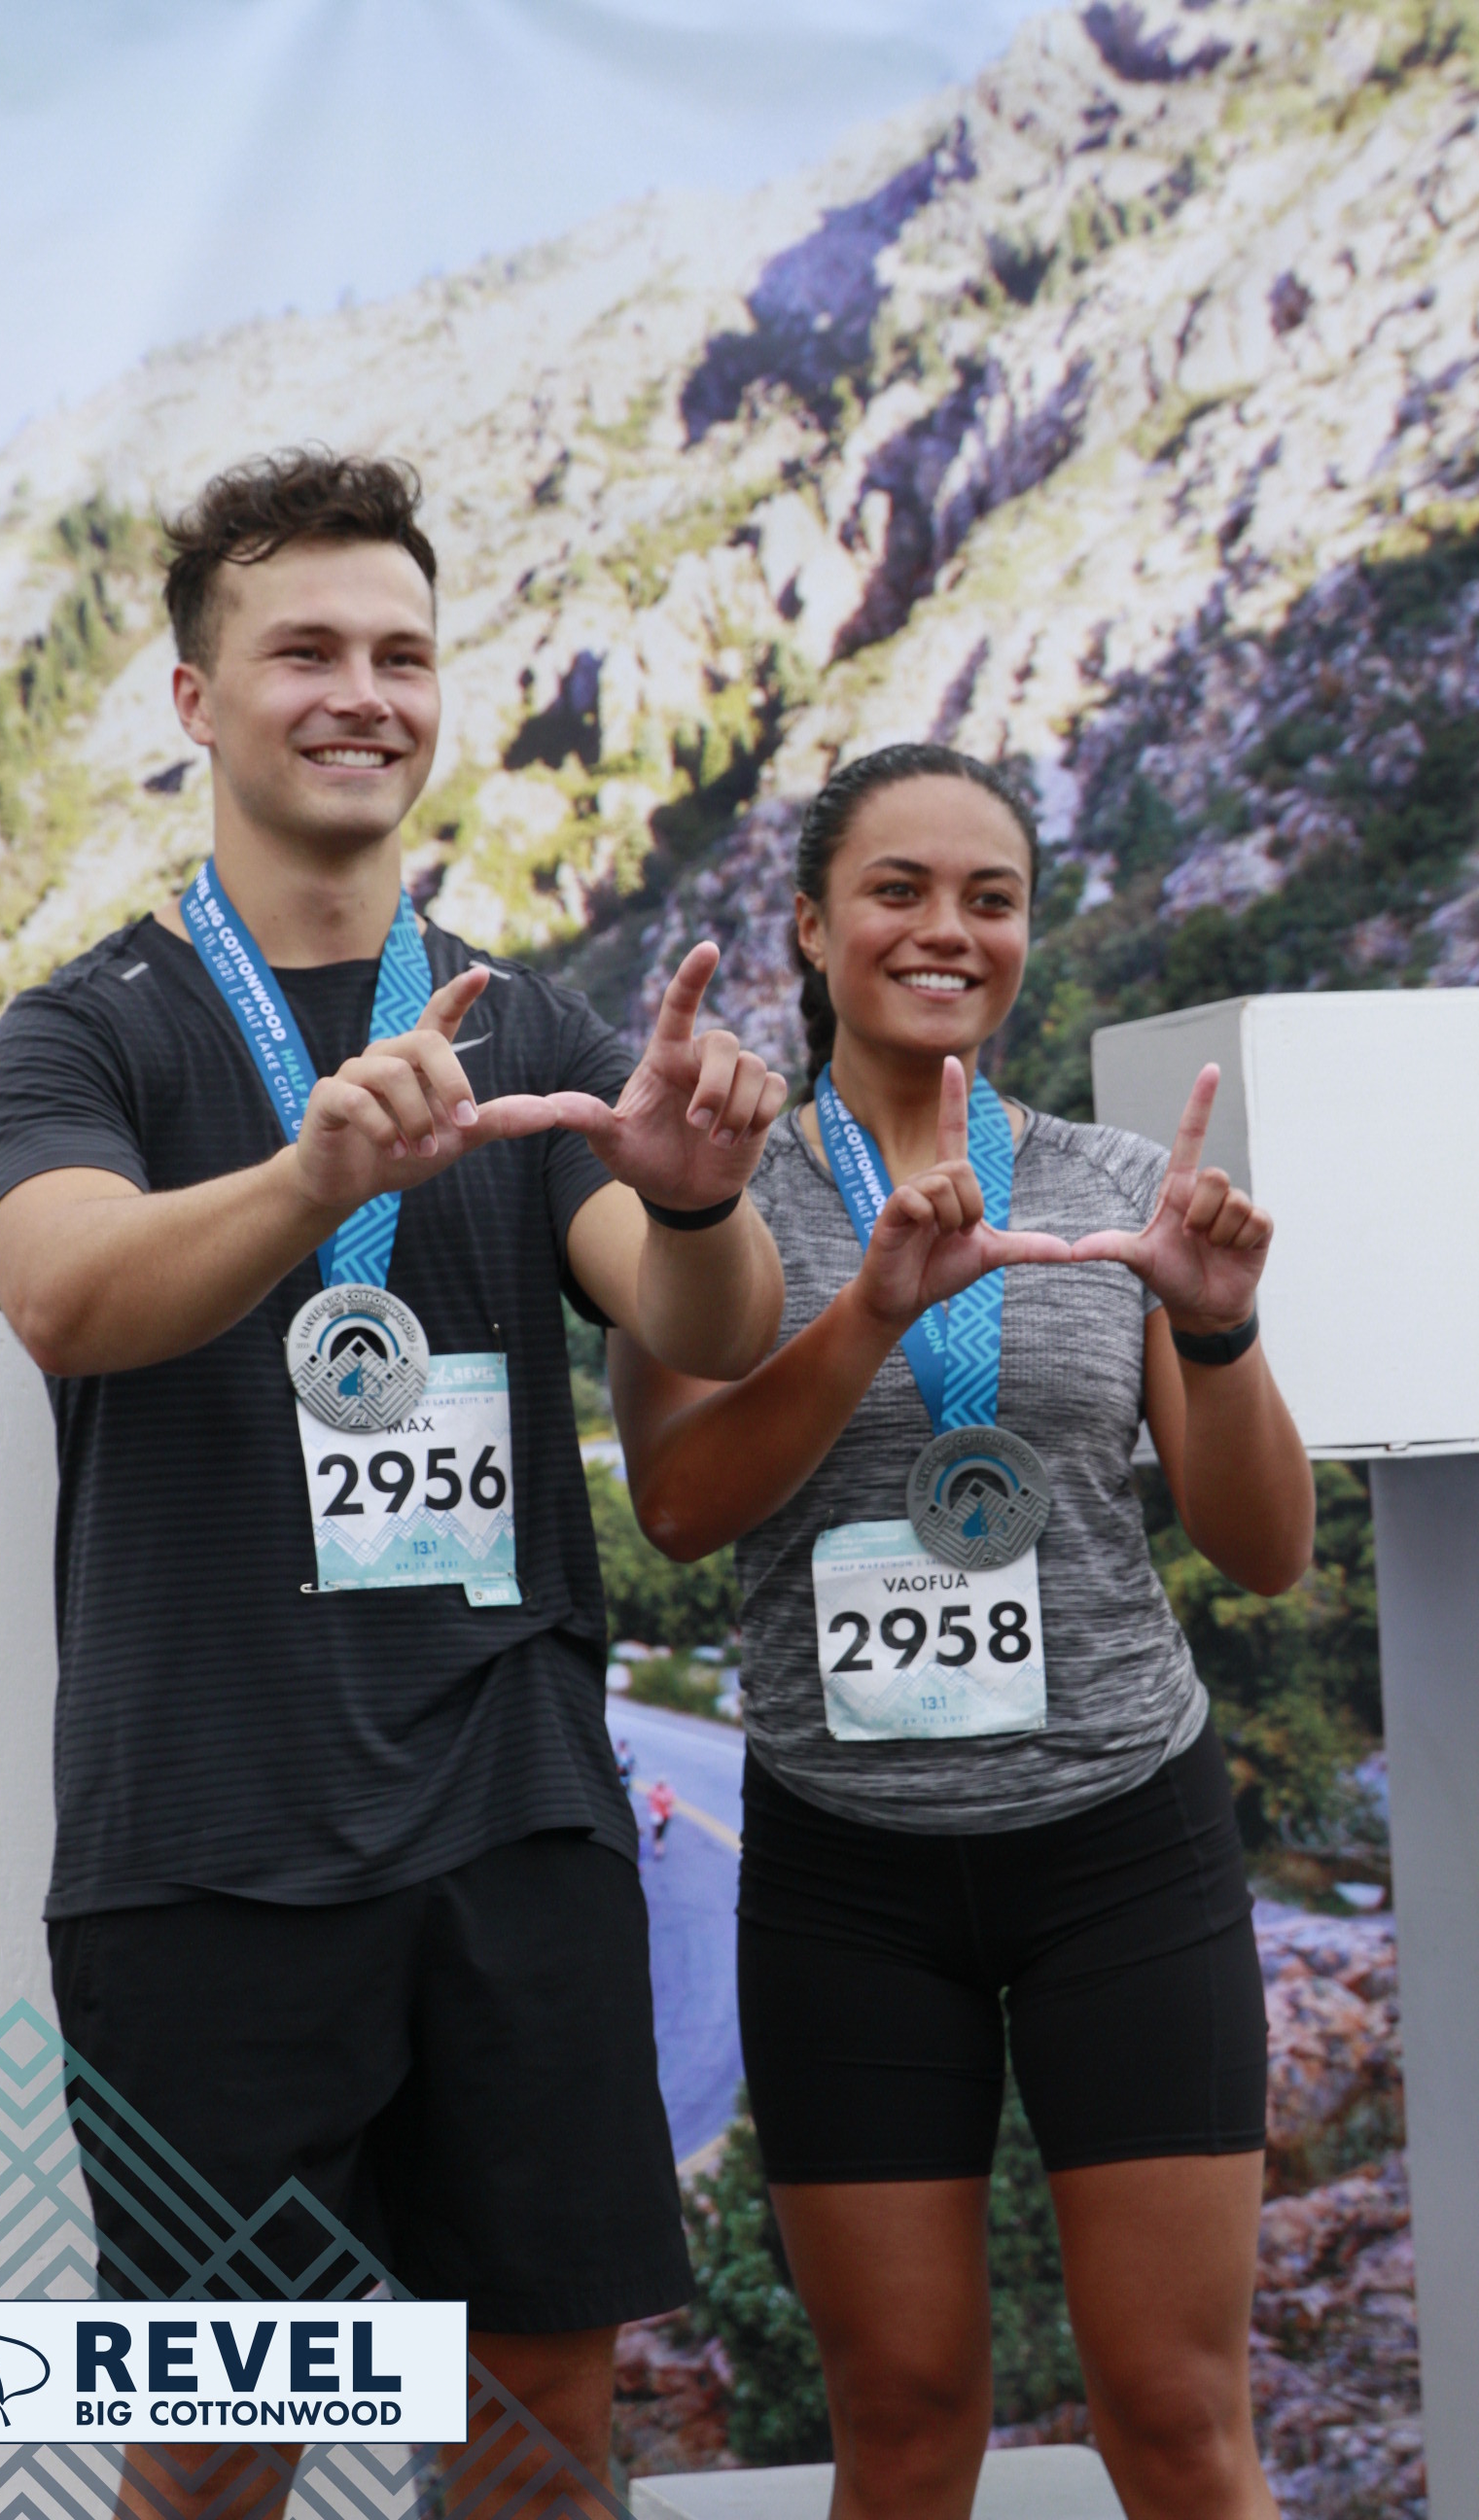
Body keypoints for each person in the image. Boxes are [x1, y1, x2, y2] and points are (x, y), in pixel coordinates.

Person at [0, 449, 791, 2520]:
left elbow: (703, 1318)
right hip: (204, 1856)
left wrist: (700, 1198)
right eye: (305, 650)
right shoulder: (87, 1029)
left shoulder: (529, 1019)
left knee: (540, 2417)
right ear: (195, 699)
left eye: (402, 654)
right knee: (219, 2451)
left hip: (518, 1822)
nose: (362, 693)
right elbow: (62, 1291)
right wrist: (309, 1173)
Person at [610, 741, 1313, 2520]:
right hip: (847, 1869)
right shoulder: (705, 1192)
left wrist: (1217, 1328)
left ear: (1024, 933)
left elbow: (1264, 1550)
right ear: (810, 924)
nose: (947, 929)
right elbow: (680, 1509)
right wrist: (863, 1310)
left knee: (1178, 2418)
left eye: (989, 898)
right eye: (897, 890)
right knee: (905, 2420)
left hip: (1123, 1846)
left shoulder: (1115, 1180)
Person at [647, 1777, 676, 1861]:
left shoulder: (668, 1791)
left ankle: (659, 1848)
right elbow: (648, 1796)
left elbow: (671, 1801)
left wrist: (665, 1801)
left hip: (665, 1815)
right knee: (657, 1832)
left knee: (661, 1833)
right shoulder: (654, 1790)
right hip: (656, 1815)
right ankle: (658, 1849)